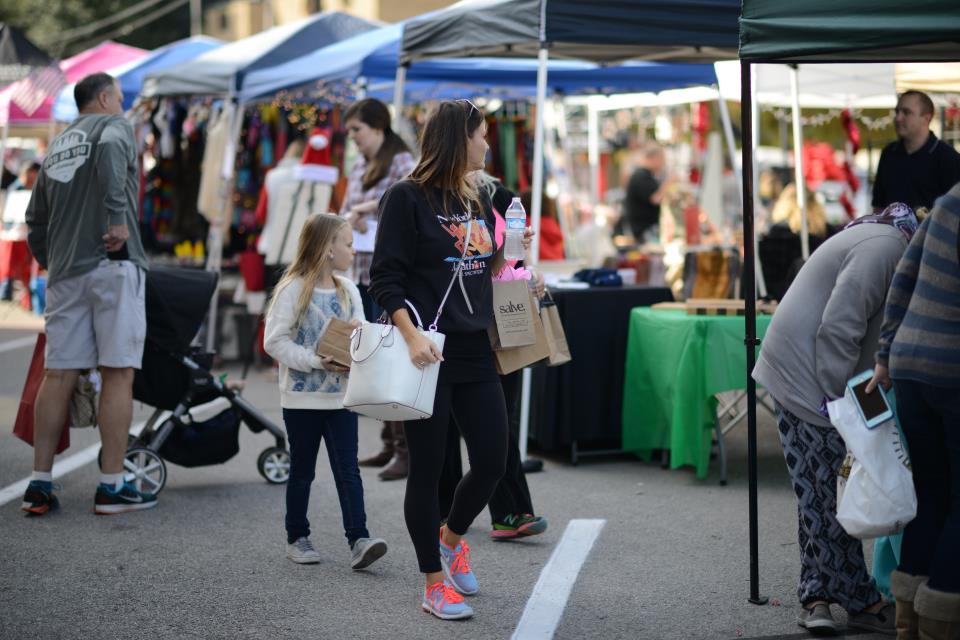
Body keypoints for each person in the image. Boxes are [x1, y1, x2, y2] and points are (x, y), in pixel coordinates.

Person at [370, 99, 533, 621]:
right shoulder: (405, 198)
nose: (488, 144)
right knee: (428, 468)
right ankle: (433, 583)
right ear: (458, 139)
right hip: (427, 351)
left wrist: (515, 261)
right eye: (482, 135)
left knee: (491, 457)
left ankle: (450, 537)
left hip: (474, 347)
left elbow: (482, 268)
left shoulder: (477, 200)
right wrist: (412, 335)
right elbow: (385, 279)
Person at [752, 203, 921, 636]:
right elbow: (839, 328)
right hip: (807, 376)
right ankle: (862, 600)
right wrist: (839, 404)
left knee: (816, 492)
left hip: (817, 373)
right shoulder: (885, 249)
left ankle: (815, 595)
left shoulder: (888, 242)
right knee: (827, 500)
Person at [22, 72, 154, 516]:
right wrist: (117, 218)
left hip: (65, 273)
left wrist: (50, 258)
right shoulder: (114, 127)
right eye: (118, 98)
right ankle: (111, 487)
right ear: (103, 98)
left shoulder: (58, 143)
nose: (122, 105)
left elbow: (34, 218)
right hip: (112, 265)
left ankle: (40, 483)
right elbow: (116, 153)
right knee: (117, 373)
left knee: (58, 374)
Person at [263, 213, 388, 570]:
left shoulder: (349, 289)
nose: (354, 250)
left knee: (348, 469)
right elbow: (274, 342)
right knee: (302, 470)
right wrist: (317, 361)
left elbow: (362, 334)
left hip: (341, 398)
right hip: (301, 400)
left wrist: (359, 336)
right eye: (348, 244)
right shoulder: (291, 290)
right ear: (327, 248)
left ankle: (359, 539)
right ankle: (297, 537)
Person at [866, 183, 960, 640]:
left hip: (909, 364)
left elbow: (903, 277)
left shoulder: (950, 200)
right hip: (952, 368)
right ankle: (941, 623)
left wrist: (885, 355)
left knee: (930, 495)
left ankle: (908, 621)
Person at [437, 172, 548, 541]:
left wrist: (532, 272)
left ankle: (510, 512)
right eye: (479, 135)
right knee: (449, 425)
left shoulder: (500, 197)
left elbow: (515, 251)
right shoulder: (438, 202)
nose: (485, 142)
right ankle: (447, 513)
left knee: (501, 417)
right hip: (459, 320)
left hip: (504, 312)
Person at [340, 97, 416, 482]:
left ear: (379, 127)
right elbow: (343, 211)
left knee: (394, 360)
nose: (353, 137)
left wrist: (368, 208)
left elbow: (413, 195)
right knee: (374, 359)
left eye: (358, 129)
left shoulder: (402, 161)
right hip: (361, 273)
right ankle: (390, 441)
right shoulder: (358, 166)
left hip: (390, 275)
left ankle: (405, 449)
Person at [872, 90, 960, 213]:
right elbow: (878, 207)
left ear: (926, 118)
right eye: (897, 111)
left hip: (930, 232)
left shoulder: (948, 158)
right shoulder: (889, 153)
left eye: (906, 112)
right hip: (888, 231)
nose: (898, 118)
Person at [620, 143, 674, 243]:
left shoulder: (644, 175)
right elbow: (656, 198)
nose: (664, 163)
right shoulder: (641, 176)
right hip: (644, 229)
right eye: (662, 159)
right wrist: (669, 183)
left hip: (644, 228)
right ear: (655, 158)